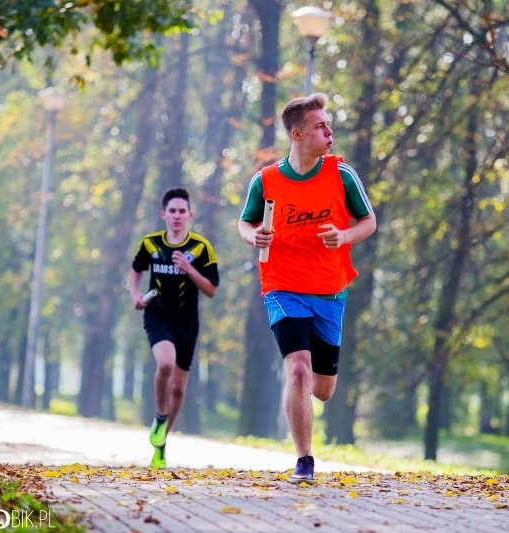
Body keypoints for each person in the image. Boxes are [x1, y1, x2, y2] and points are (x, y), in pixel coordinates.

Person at [238, 93, 376, 483]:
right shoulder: (266, 180)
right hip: (281, 287)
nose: (329, 133)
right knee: (297, 371)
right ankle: (304, 460)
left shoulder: (342, 175)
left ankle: (308, 408)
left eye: (329, 126)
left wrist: (344, 235)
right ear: (297, 134)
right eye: (320, 126)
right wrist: (255, 237)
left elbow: (369, 221)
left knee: (324, 389)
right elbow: (244, 223)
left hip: (330, 290)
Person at [130, 187, 219, 469]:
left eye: (182, 211)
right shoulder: (150, 243)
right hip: (157, 317)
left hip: (187, 323)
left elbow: (211, 290)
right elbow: (136, 269)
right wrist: (134, 295)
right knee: (165, 364)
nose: (177, 216)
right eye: (172, 211)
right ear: (164, 215)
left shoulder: (201, 248)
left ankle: (161, 442)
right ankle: (159, 417)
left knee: (179, 389)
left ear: (190, 215)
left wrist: (189, 269)